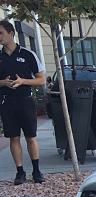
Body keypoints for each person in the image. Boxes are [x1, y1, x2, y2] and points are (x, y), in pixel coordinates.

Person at [0, 20, 45, 185]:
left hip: (25, 101)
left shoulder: (28, 54)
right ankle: (20, 172)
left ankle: (37, 171)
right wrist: (2, 83)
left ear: (11, 34)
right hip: (7, 103)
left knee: (31, 137)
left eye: (1, 33)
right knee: (13, 138)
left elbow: (41, 80)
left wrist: (23, 81)